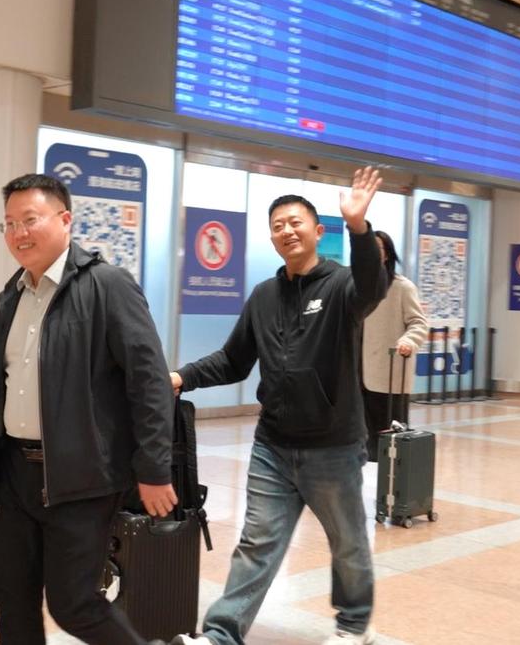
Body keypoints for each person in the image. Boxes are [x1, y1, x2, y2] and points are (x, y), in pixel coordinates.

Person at [0, 174, 177, 645]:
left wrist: (154, 468)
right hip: (16, 474)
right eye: (9, 224)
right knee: (11, 598)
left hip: (82, 477)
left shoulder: (107, 286)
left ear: (65, 220)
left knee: (75, 605)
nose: (18, 233)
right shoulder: (12, 296)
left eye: (30, 220)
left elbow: (149, 382)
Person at [171, 167, 389, 645]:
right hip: (273, 445)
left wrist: (359, 227)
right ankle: (221, 635)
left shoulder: (342, 287)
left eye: (295, 222)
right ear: (271, 238)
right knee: (257, 543)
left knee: (348, 543)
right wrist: (182, 377)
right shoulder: (264, 296)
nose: (287, 231)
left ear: (317, 231)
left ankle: (354, 626)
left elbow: (373, 287)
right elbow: (233, 360)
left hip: (333, 446)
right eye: (277, 226)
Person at [360, 230, 428, 445]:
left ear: (387, 254)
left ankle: (384, 467)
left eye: (377, 248)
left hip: (386, 373)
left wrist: (409, 341)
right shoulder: (354, 284)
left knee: (387, 437)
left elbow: (419, 322)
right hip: (355, 372)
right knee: (358, 437)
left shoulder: (402, 287)